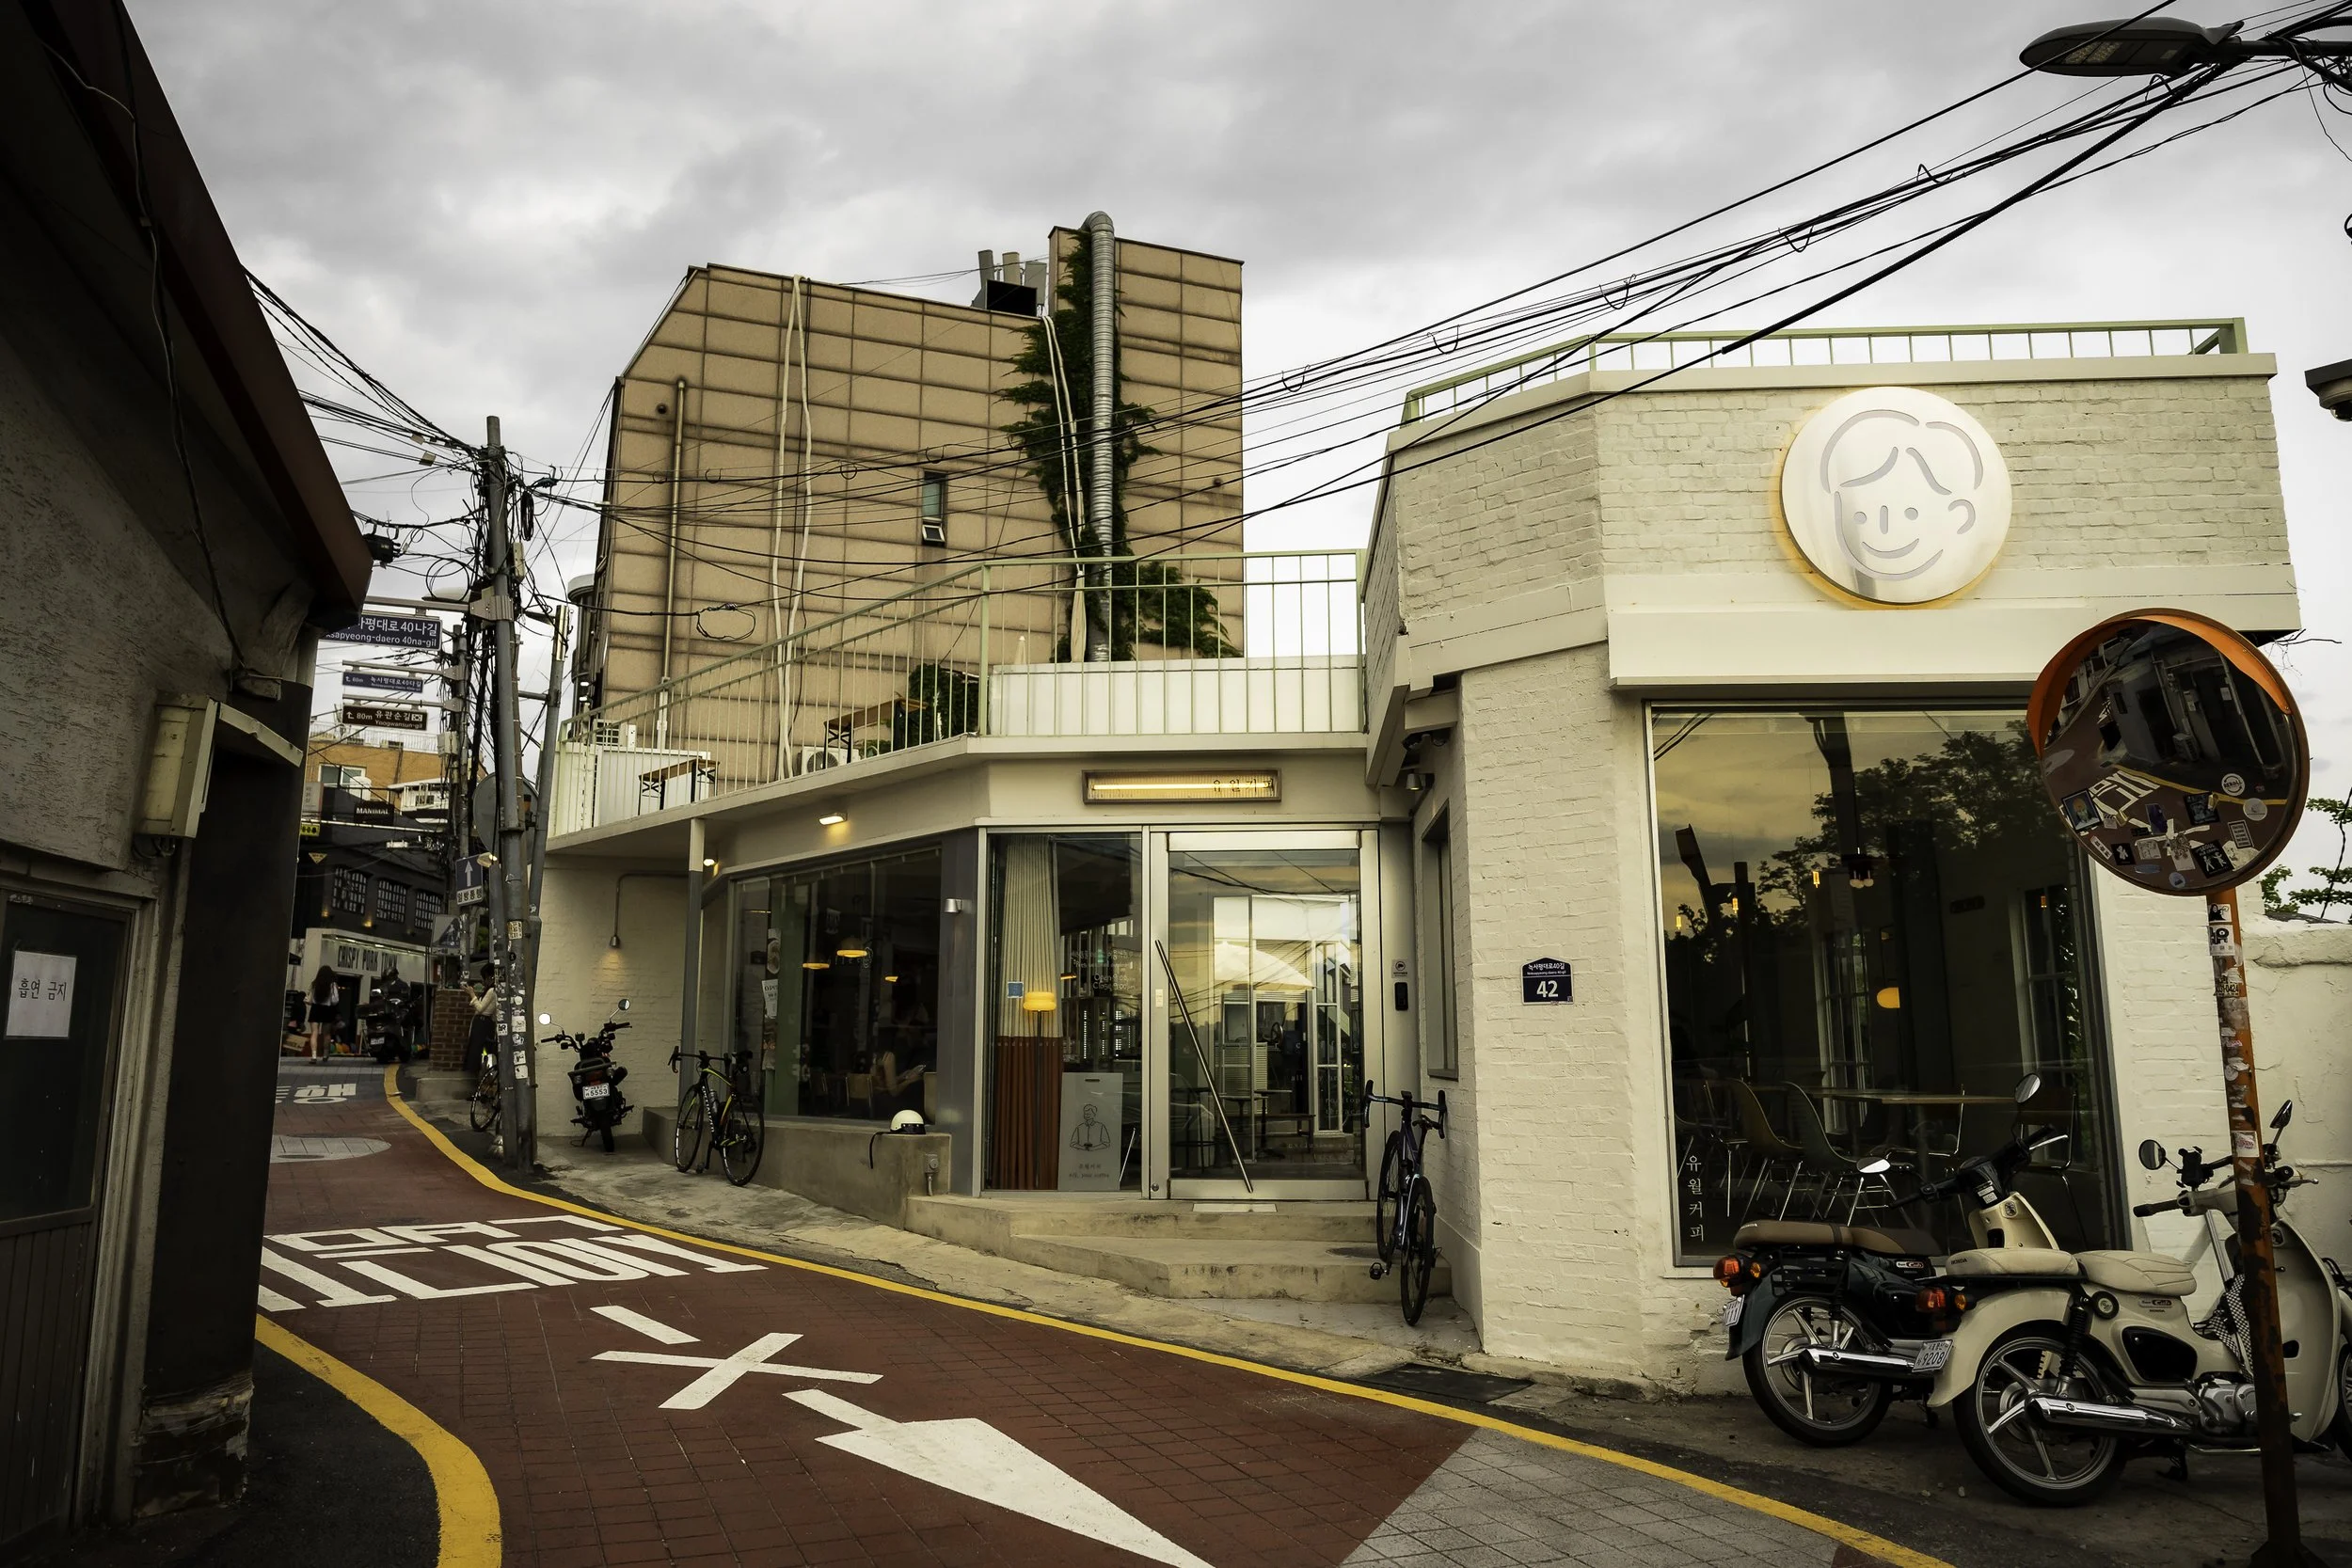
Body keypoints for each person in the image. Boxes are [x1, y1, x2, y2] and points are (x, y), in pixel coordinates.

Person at [467, 962, 498, 1079]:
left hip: (483, 1024)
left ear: (489, 977)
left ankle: (480, 1080)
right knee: (480, 1052)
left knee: (477, 1052)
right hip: (485, 1023)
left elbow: (480, 1008)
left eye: (484, 978)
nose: (483, 981)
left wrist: (472, 994)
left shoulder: (491, 991)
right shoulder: (490, 990)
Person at [378, 966, 414, 1063]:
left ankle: (405, 1044)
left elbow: (407, 995)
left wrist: (404, 1001)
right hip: (387, 1010)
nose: (388, 979)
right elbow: (380, 997)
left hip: (400, 1010)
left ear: (394, 976)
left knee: (405, 1019)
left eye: (389, 977)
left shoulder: (402, 985)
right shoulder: (383, 986)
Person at [306, 965, 338, 1060]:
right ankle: (325, 1055)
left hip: (315, 1009)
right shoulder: (332, 985)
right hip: (327, 1010)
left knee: (314, 1033)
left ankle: (314, 1056)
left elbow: (310, 998)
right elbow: (335, 1000)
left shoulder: (314, 984)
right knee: (326, 1034)